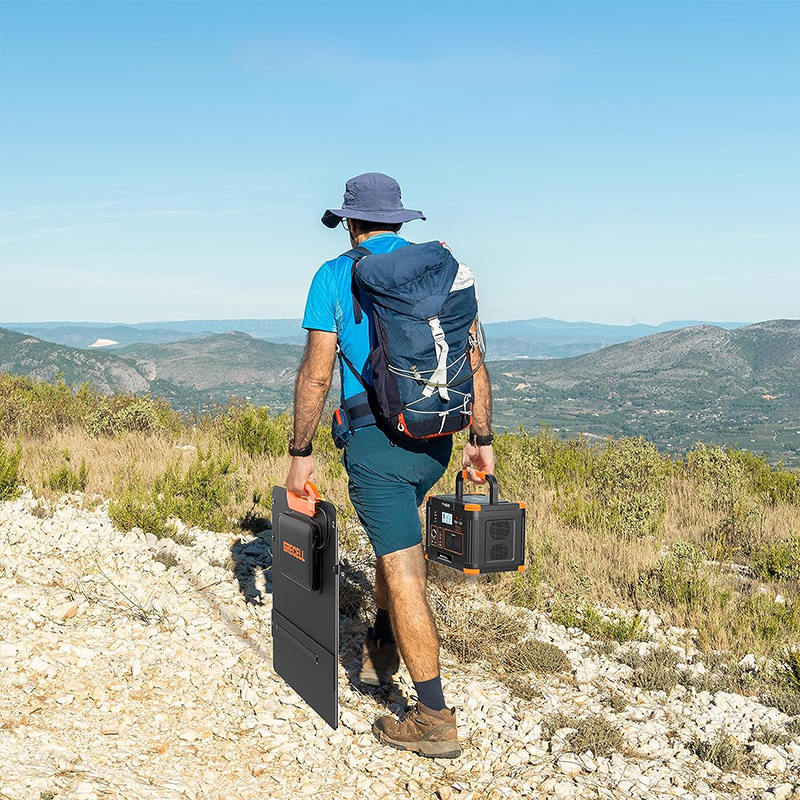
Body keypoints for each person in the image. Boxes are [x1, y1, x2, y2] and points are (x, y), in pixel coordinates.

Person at [285, 172, 495, 758]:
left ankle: (432, 713)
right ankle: (381, 652)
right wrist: (482, 437)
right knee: (394, 542)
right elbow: (473, 360)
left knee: (403, 565)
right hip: (437, 438)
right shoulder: (443, 272)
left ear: (349, 222)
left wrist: (300, 455)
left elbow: (317, 375)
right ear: (401, 221)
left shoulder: (335, 274)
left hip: (376, 445)